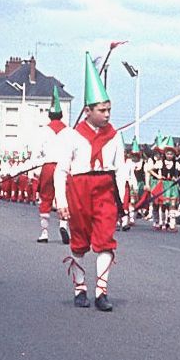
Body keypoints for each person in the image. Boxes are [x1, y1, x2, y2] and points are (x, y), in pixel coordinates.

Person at [54, 53, 129, 313]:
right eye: (102, 110)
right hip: (79, 190)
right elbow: (61, 171)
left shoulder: (115, 136)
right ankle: (79, 288)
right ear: (88, 111)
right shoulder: (71, 136)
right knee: (79, 243)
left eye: (109, 109)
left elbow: (121, 169)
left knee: (106, 241)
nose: (107, 115)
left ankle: (101, 291)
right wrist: (61, 203)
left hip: (105, 190)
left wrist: (121, 201)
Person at [35, 87, 68, 243]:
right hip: (63, 166)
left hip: (48, 166)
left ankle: (44, 232)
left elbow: (39, 152)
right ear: (61, 115)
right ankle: (63, 224)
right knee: (64, 197)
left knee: (46, 198)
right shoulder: (68, 131)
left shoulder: (43, 131)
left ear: (49, 115)